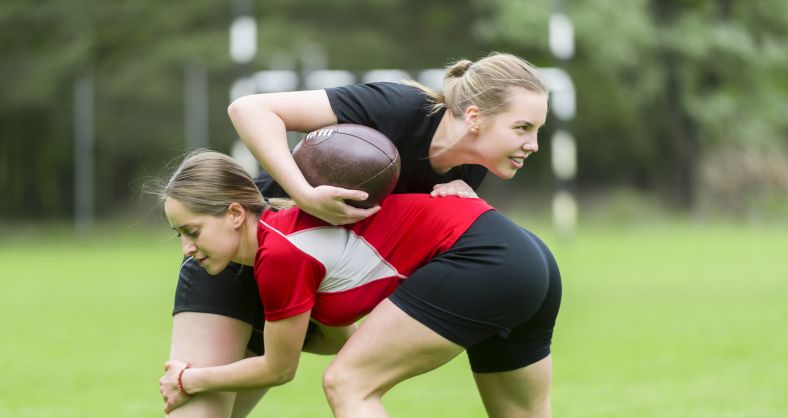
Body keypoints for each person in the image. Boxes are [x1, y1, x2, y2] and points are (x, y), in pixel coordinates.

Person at [167, 51, 550, 417]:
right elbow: (249, 108)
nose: (533, 144)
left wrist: (461, 209)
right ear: (474, 116)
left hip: (304, 275)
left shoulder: (469, 170)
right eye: (523, 127)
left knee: (345, 378)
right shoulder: (401, 107)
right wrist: (304, 195)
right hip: (236, 259)